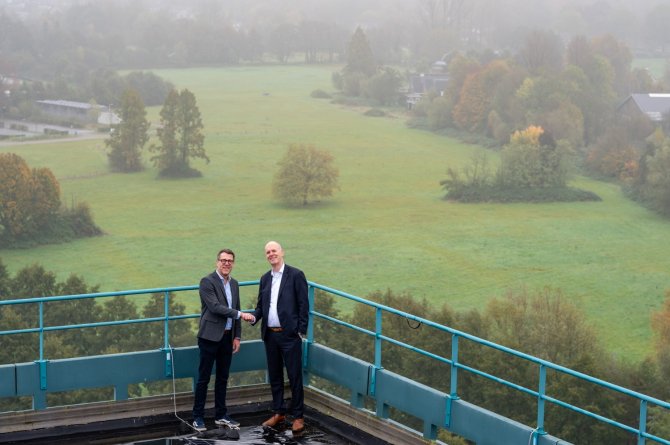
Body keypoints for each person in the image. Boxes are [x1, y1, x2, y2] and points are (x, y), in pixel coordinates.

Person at [192, 248, 255, 432]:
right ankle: (198, 417)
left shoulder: (234, 284)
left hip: (228, 338)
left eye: (230, 261)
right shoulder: (207, 281)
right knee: (203, 378)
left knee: (222, 378)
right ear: (217, 262)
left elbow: (237, 307)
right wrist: (240, 314)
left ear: (233, 264)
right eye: (223, 260)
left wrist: (237, 336)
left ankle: (221, 415)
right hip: (209, 337)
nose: (226, 263)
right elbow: (215, 307)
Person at [250, 241, 309, 433]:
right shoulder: (265, 278)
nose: (271, 254)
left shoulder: (296, 275)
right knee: (275, 376)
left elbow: (303, 305)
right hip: (270, 335)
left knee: (294, 376)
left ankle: (298, 417)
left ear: (282, 252)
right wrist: (253, 317)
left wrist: (300, 331)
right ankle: (279, 412)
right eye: (267, 252)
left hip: (290, 335)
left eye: (274, 250)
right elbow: (261, 306)